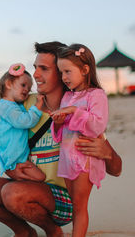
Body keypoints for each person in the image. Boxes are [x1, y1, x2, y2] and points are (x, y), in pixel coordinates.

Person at [0, 41, 122, 237]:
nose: (35, 75)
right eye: (35, 68)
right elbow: (3, 134)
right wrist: (9, 168)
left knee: (12, 194)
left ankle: (53, 231)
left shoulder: (81, 109)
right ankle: (24, 232)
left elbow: (116, 169)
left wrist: (106, 152)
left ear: (62, 73)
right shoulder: (26, 105)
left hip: (63, 198)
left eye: (44, 69)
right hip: (29, 185)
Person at [50, 44, 108, 237]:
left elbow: (97, 125)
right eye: (61, 72)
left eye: (67, 71)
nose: (63, 77)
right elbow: (62, 132)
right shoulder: (67, 96)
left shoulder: (96, 95)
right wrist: (58, 123)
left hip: (85, 158)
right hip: (67, 158)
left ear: (84, 70)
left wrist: (75, 111)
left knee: (80, 205)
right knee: (74, 204)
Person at [0, 63, 46, 181]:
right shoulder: (6, 107)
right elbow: (24, 121)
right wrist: (37, 107)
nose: (27, 90)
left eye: (29, 89)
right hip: (14, 158)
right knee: (40, 178)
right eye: (23, 85)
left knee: (37, 179)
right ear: (9, 84)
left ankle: (17, 186)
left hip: (14, 156)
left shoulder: (7, 106)